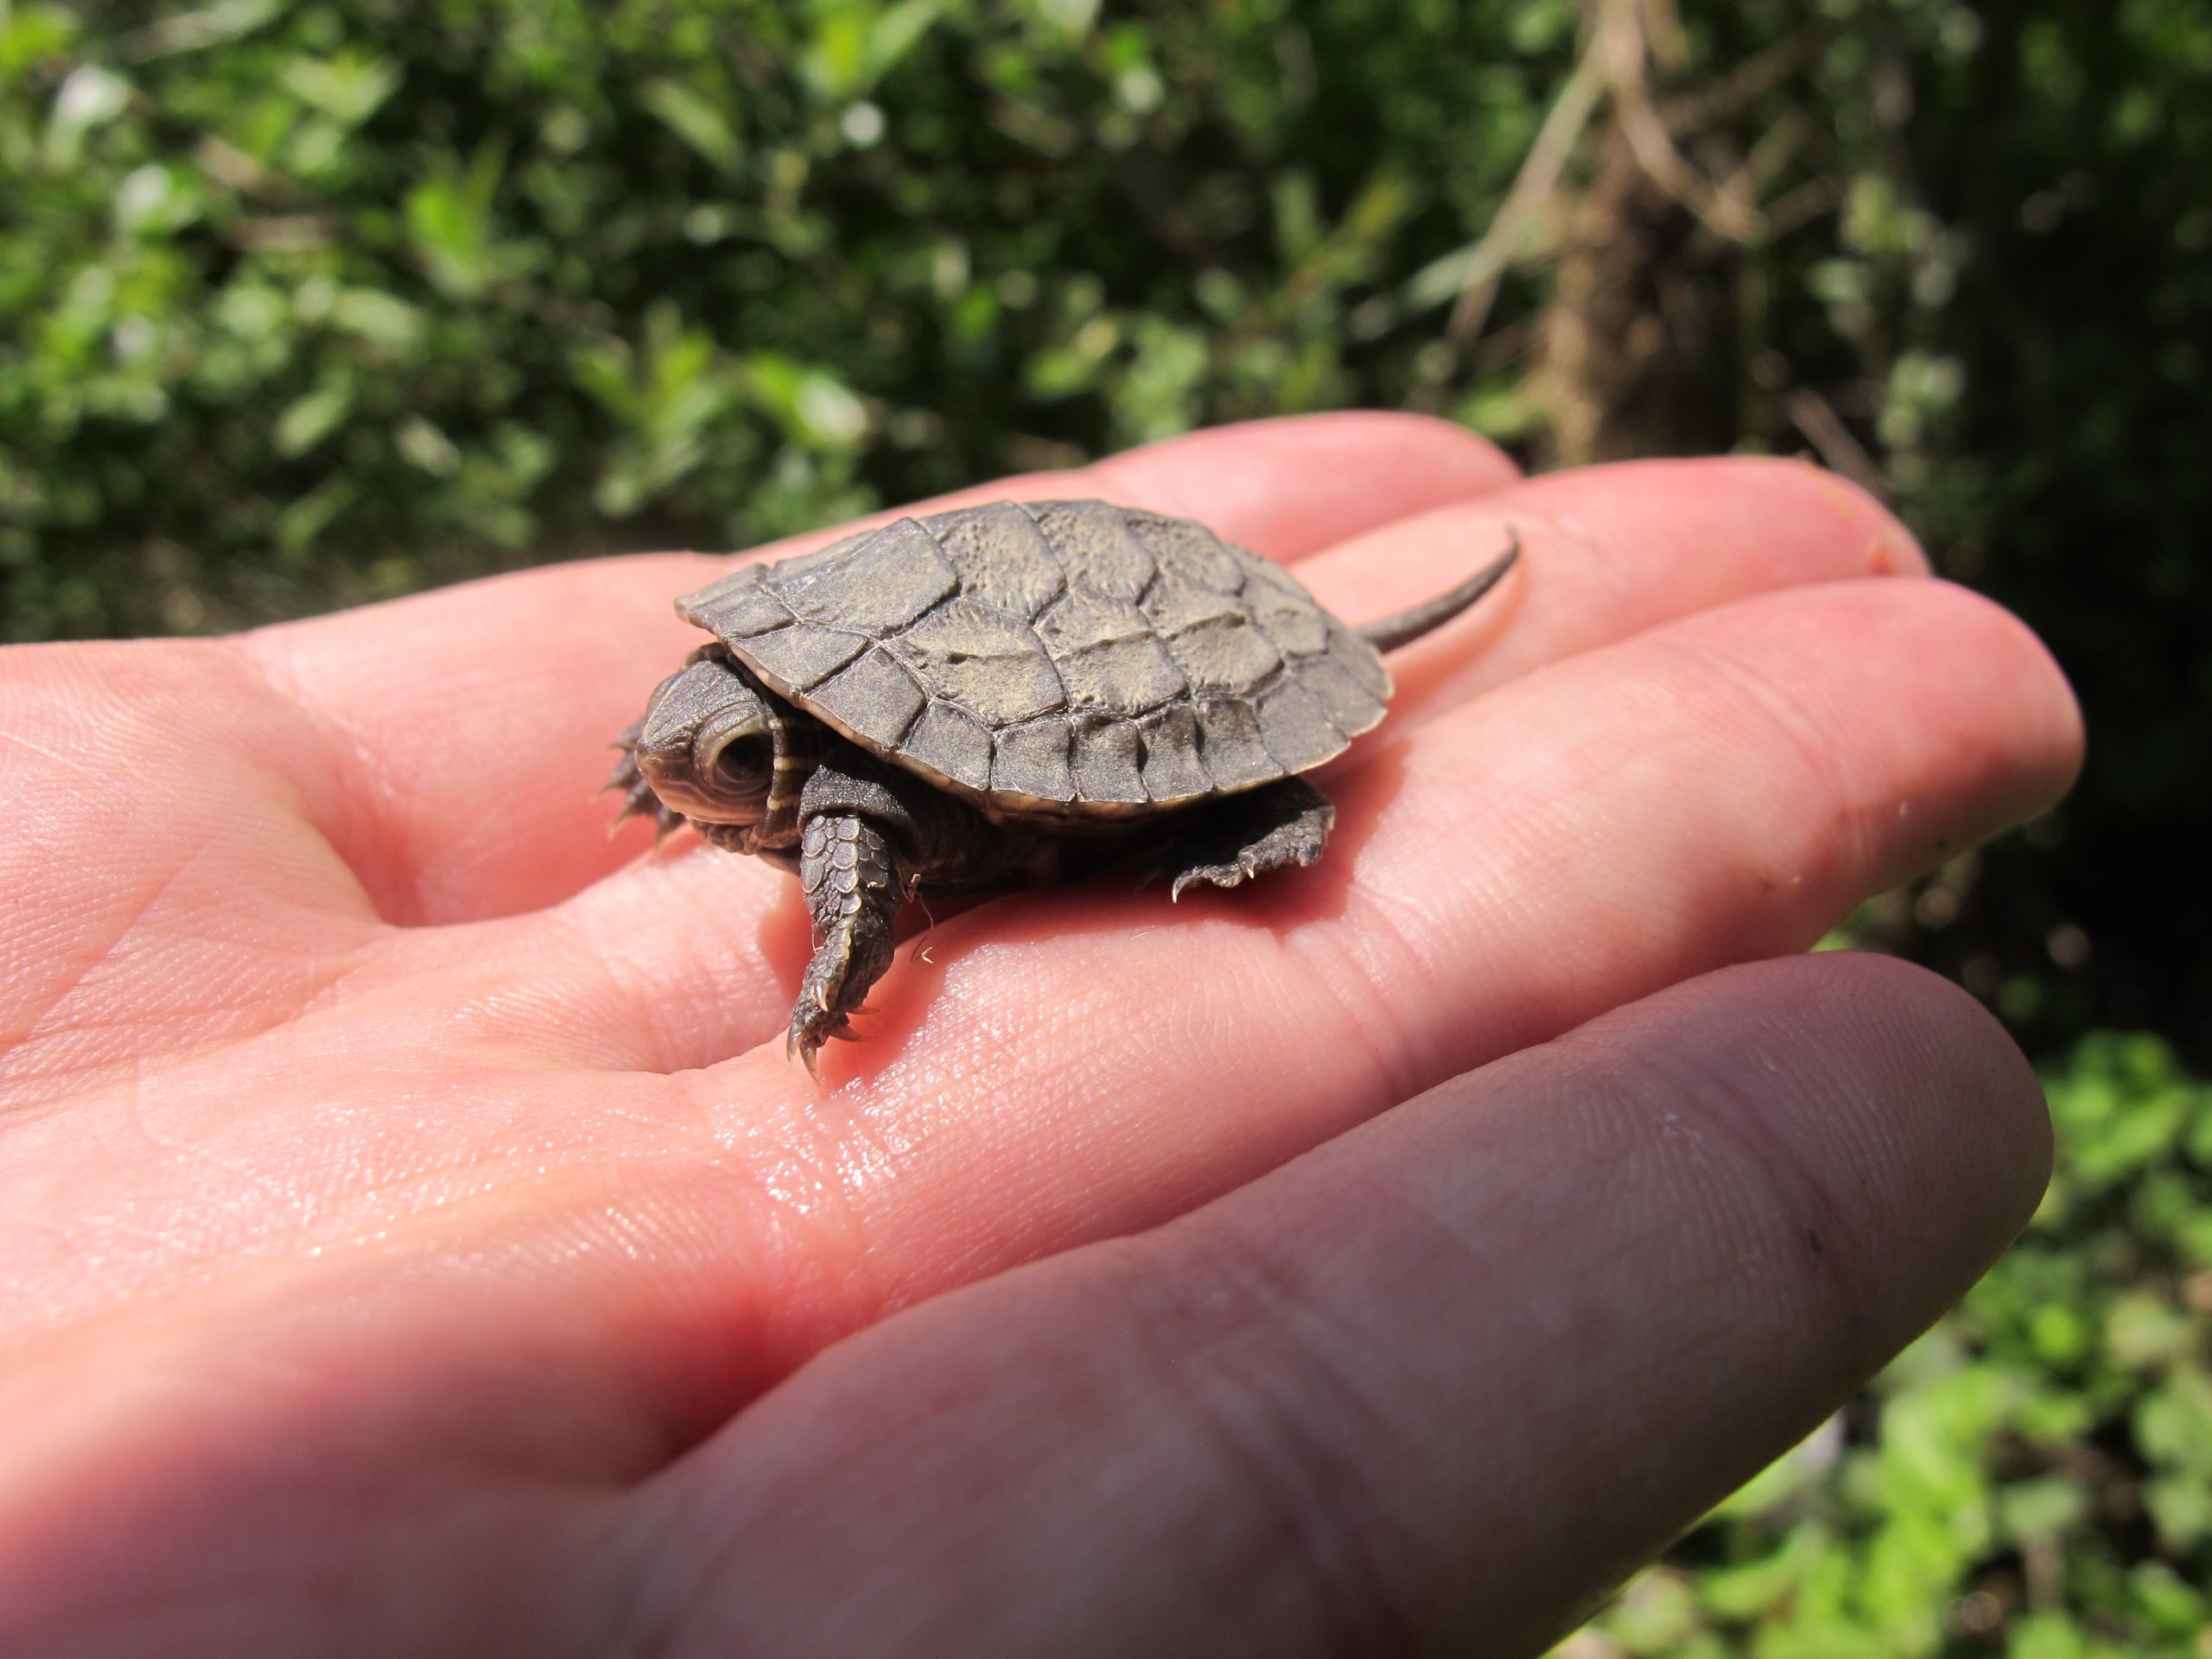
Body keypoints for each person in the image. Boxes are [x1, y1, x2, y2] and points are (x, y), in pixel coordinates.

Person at [0, 414, 2081, 1656]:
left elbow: (841, 824)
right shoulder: (774, 710)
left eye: (724, 756)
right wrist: (702, 765)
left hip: (1182, 639)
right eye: (706, 745)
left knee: (1214, 833)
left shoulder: (840, 796)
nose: (692, 767)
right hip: (1061, 609)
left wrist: (840, 969)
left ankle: (1266, 804)